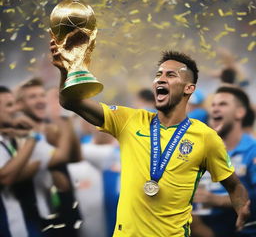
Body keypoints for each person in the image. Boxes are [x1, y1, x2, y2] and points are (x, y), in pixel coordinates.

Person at [50, 37, 250, 237]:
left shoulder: (205, 137)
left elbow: (234, 185)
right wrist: (65, 69)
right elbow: (70, 101)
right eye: (158, 74)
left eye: (171, 75)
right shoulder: (129, 120)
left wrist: (241, 207)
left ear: (189, 88)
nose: (160, 79)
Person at [16, 78, 82, 237]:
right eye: (32, 97)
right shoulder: (20, 130)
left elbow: (75, 157)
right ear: (20, 104)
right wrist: (64, 121)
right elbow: (61, 156)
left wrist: (63, 121)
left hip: (66, 211)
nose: (40, 100)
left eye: (41, 95)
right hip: (39, 218)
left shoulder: (49, 127)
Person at [192, 85, 256, 237]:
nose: (215, 109)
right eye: (213, 105)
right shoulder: (200, 150)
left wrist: (217, 200)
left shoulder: (252, 151)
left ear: (240, 112)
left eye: (223, 104)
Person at [0, 86, 42, 236]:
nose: (15, 110)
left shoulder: (8, 136)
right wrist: (33, 137)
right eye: (9, 105)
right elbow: (5, 177)